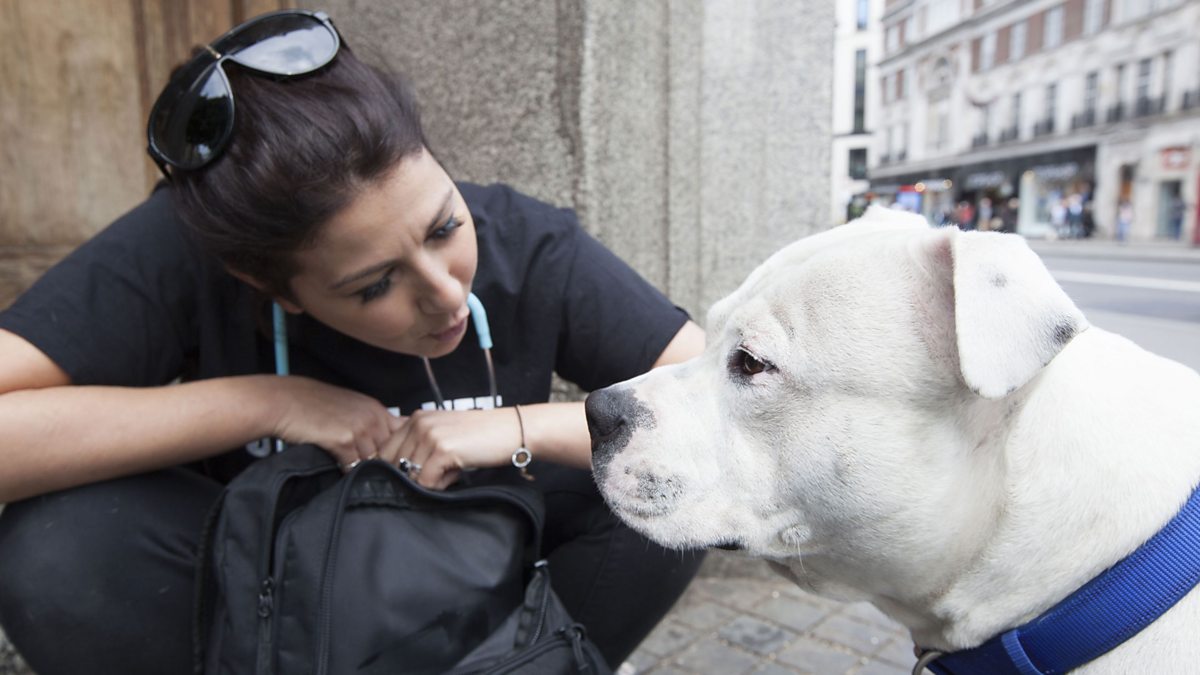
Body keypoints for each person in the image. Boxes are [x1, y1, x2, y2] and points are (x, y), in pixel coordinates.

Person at [0, 10, 706, 675]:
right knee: (54, 545)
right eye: (374, 285)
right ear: (272, 286)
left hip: (481, 580)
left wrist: (511, 427)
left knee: (658, 491)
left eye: (443, 229)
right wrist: (268, 403)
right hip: (275, 606)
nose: (446, 292)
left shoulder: (531, 242)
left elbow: (720, 412)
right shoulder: (184, 250)